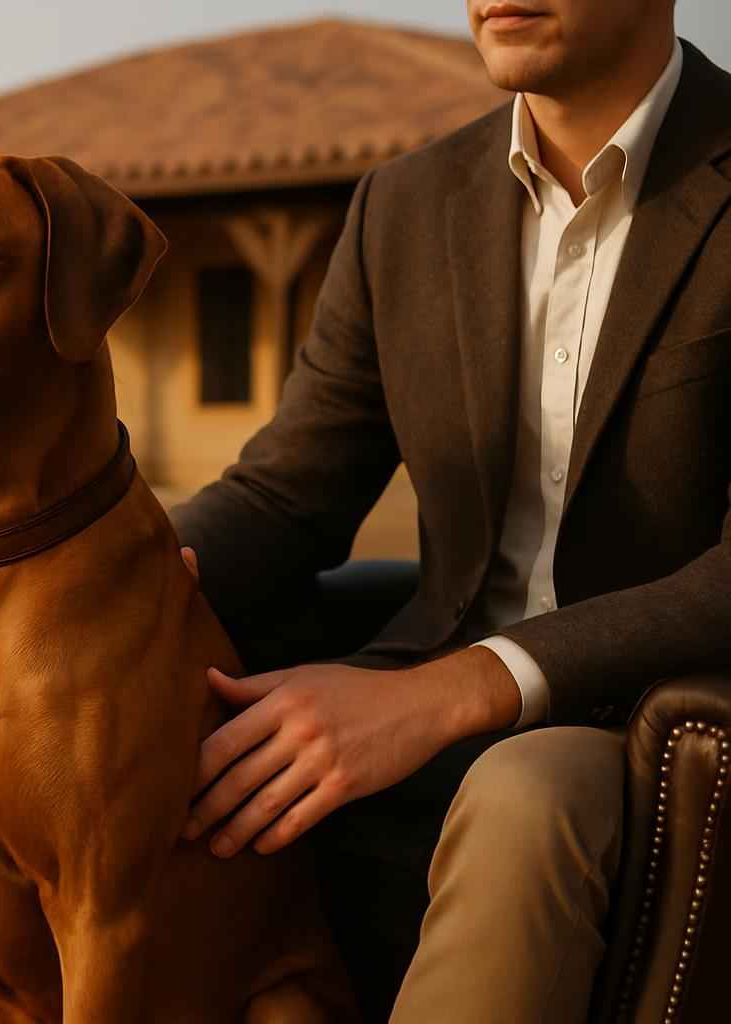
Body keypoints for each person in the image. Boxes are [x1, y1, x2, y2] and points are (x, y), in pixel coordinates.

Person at [171, 1, 731, 1019]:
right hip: (425, 673)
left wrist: (454, 692)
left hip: (655, 710)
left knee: (522, 795)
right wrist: (116, 574)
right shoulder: (405, 203)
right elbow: (288, 494)